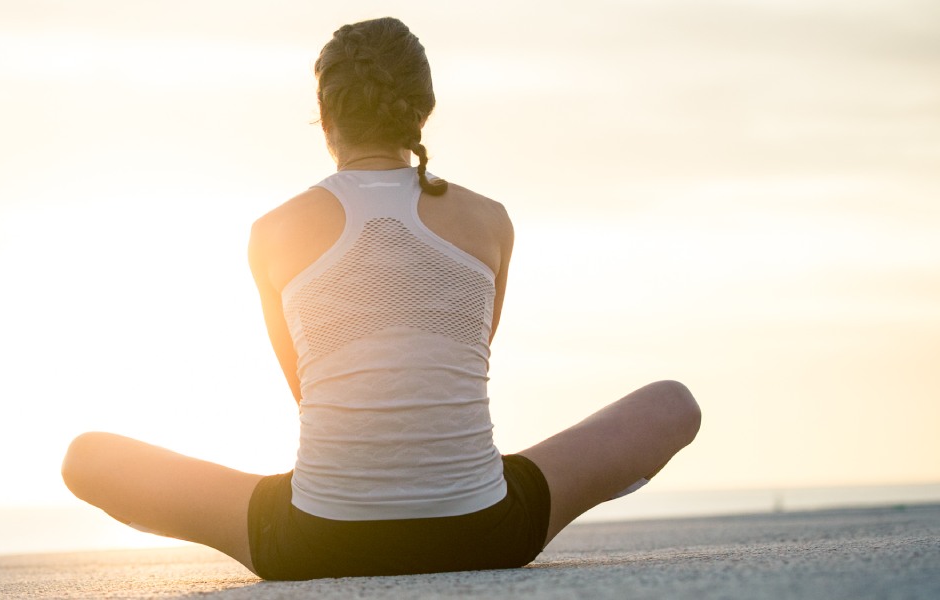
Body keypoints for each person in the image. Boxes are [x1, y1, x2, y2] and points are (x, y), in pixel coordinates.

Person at [60, 16, 700, 581]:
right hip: (486, 527)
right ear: (422, 110)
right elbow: (465, 360)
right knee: (675, 404)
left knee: (85, 457)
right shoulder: (490, 221)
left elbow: (308, 390)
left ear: (326, 115)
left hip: (315, 540)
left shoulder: (273, 233)